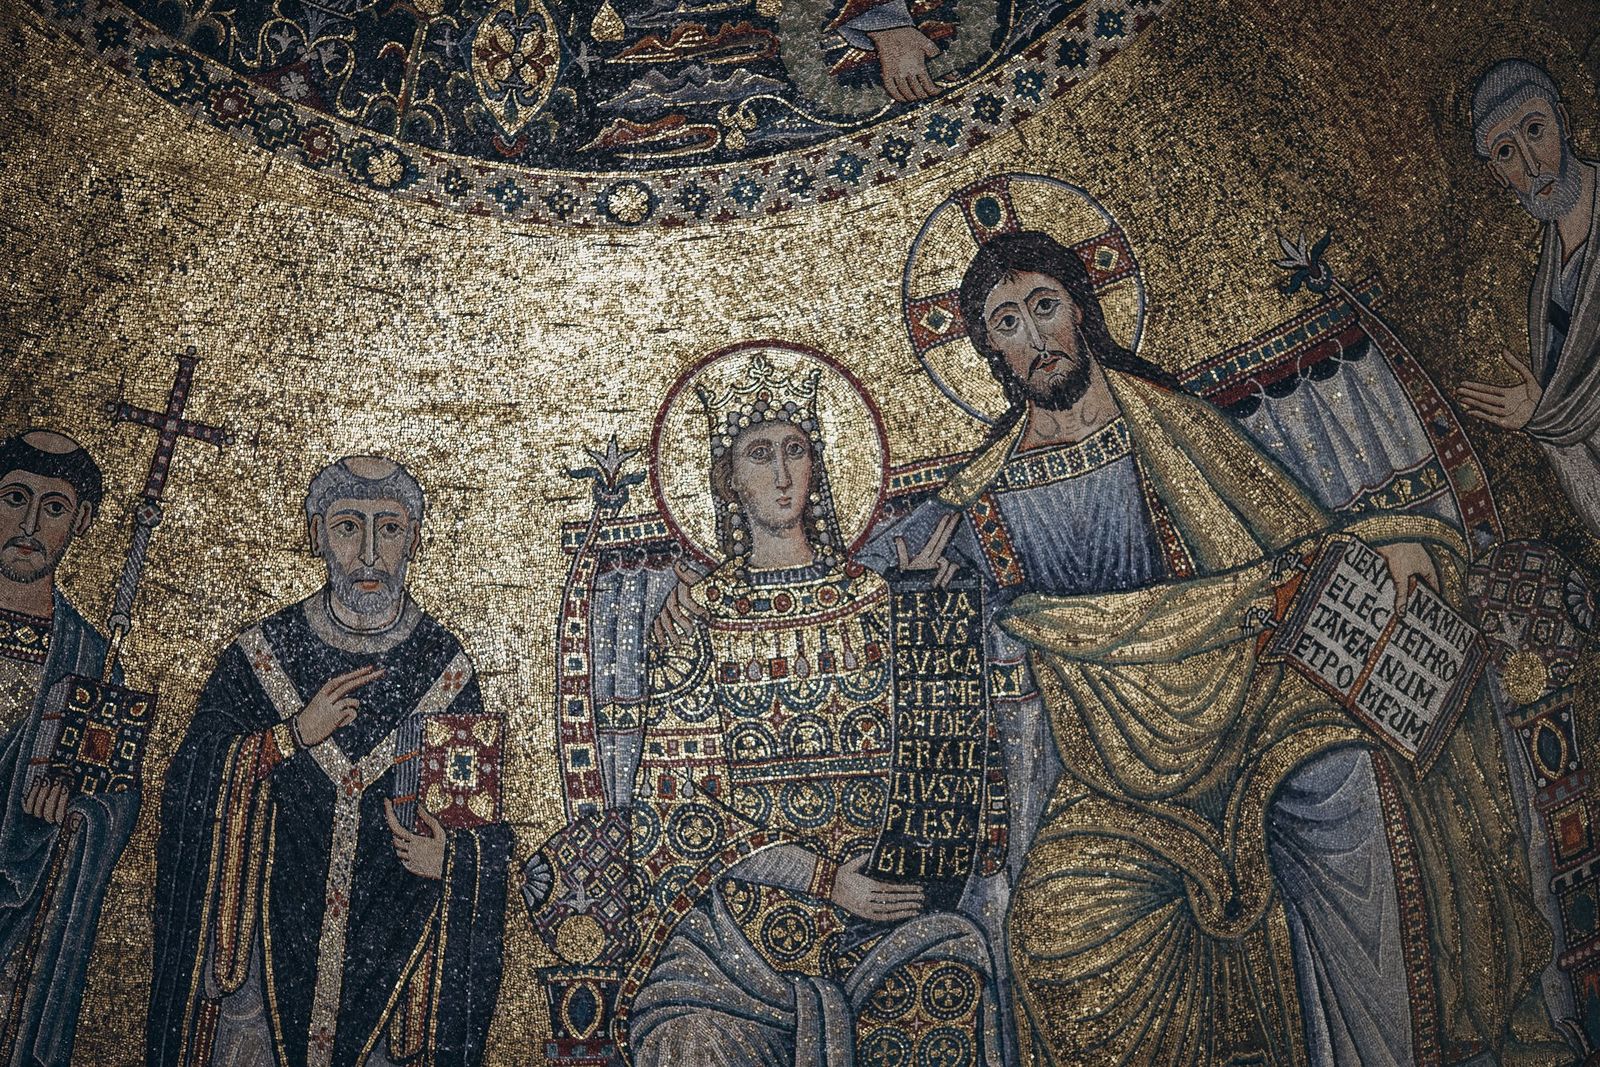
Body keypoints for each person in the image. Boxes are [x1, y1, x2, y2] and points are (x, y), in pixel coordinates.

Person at [867, 230, 1572, 1065]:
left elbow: (1296, 541)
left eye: (1044, 306)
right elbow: (886, 604)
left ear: (1081, 311)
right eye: (1008, 322)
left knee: (1345, 785)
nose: (1036, 335)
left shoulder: (1173, 427)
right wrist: (917, 596)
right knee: (1057, 928)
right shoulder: (974, 501)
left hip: (1256, 720)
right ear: (991, 350)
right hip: (1112, 783)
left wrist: (1395, 542)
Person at [622, 357, 1004, 1067]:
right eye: (759, 454)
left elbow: (949, 770)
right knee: (688, 1038)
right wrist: (827, 880)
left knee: (953, 978)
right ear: (727, 479)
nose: (781, 474)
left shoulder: (878, 599)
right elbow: (679, 813)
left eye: (795, 449)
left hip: (885, 913)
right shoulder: (696, 621)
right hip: (740, 940)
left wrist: (932, 630)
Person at [147, 456, 510, 1067]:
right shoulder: (262, 656)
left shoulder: (445, 669)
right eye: (347, 526)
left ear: (414, 539)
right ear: (316, 533)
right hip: (266, 951)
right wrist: (291, 736)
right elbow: (190, 785)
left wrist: (450, 860)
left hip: (394, 952)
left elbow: (474, 824)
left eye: (388, 528)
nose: (369, 554)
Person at [0, 429, 138, 1067]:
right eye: (15, 498)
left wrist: (77, 808)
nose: (30, 525)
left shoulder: (90, 661)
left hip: (19, 921)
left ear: (80, 522)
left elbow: (115, 794)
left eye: (53, 507)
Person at [1456, 59, 1600, 537]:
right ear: (1498, 175)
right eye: (1506, 152)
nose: (1533, 165)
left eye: (1535, 130)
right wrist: (1543, 418)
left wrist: (1550, 416)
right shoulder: (1544, 291)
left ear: (1563, 119)